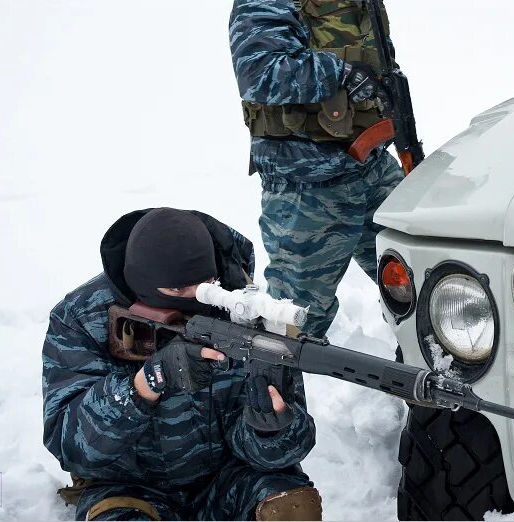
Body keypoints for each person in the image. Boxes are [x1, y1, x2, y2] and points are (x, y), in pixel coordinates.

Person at [42, 207, 321, 521]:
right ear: (141, 284)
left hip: (231, 479)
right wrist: (145, 384)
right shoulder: (82, 318)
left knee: (291, 507)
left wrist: (270, 430)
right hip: (129, 488)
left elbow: (284, 453)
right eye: (177, 290)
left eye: (206, 283)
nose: (197, 297)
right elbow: (71, 446)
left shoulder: (248, 317)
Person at [229, 0, 406, 338]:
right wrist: (341, 72)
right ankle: (277, 408)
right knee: (293, 325)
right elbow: (261, 75)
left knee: (427, 283)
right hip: (307, 190)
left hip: (371, 167)